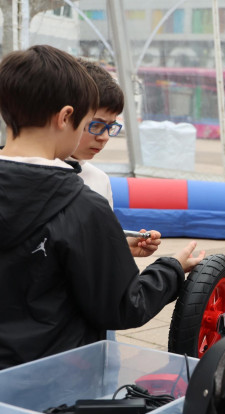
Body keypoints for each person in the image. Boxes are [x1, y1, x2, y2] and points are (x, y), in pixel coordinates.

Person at [0, 45, 205, 370]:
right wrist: (172, 269)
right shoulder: (82, 205)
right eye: (88, 122)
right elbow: (123, 305)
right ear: (66, 117)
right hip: (52, 387)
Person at [71, 59, 162, 258]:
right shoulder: (32, 176)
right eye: (96, 125)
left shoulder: (98, 180)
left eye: (110, 127)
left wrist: (120, 247)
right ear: (65, 116)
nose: (103, 137)